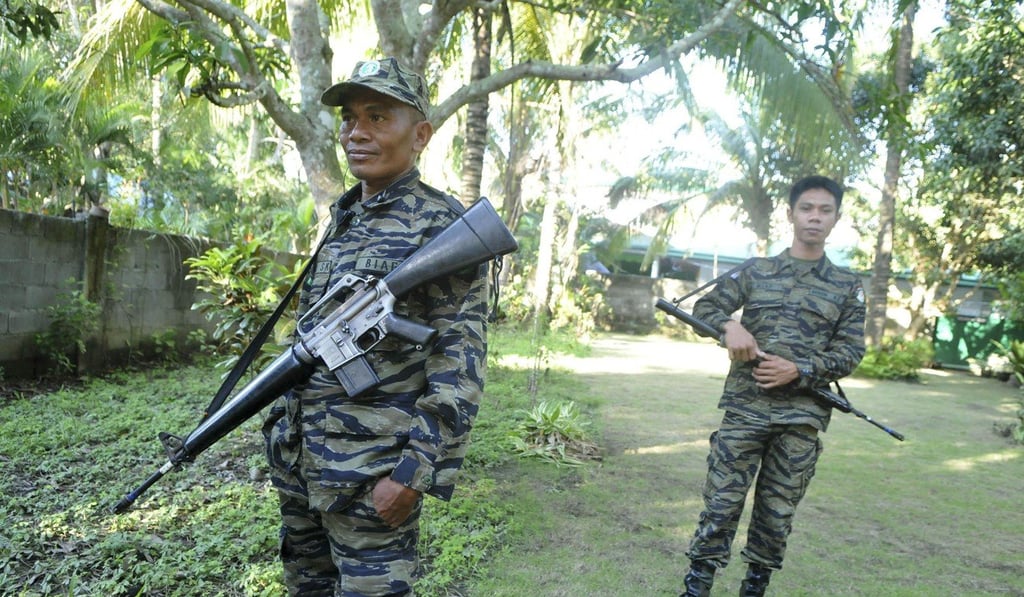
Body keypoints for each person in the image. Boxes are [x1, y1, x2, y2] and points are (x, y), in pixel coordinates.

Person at [263, 57, 489, 596]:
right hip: (303, 465)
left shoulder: (444, 227)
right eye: (349, 118)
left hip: (372, 476)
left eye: (377, 117)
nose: (356, 133)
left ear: (421, 135)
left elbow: (459, 363)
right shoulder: (343, 218)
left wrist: (412, 473)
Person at [679, 175, 866, 597]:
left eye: (825, 210)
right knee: (721, 503)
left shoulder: (847, 286)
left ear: (836, 219)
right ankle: (697, 587)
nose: (815, 217)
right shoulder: (756, 270)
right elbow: (705, 306)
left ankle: (755, 588)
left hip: (800, 417)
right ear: (791, 214)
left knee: (776, 514)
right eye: (807, 208)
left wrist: (799, 369)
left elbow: (851, 351)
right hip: (745, 409)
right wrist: (730, 327)